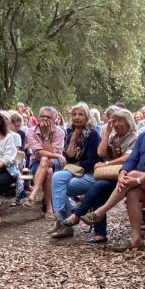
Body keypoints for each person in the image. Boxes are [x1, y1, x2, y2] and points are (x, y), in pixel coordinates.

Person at [77, 99, 145, 249]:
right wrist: (122, 173)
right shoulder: (144, 135)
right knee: (132, 193)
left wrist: (137, 179)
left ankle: (101, 211)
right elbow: (132, 159)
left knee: (132, 175)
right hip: (143, 180)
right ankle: (136, 239)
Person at [57, 108, 138, 244]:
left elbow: (127, 158)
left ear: (128, 122)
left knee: (98, 186)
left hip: (128, 175)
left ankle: (77, 215)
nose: (116, 124)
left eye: (120, 121)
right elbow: (100, 153)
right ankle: (99, 234)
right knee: (98, 190)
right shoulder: (113, 138)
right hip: (113, 175)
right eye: (114, 121)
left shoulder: (134, 138)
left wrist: (106, 164)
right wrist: (107, 134)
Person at [49, 102, 102, 238]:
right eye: (74, 114)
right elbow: (69, 157)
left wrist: (77, 163)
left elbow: (93, 161)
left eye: (81, 114)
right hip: (75, 171)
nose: (77, 117)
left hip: (91, 174)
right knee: (57, 177)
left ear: (87, 117)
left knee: (61, 188)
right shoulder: (71, 134)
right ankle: (59, 214)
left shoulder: (93, 134)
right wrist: (73, 138)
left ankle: (63, 222)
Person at [22, 107, 66, 218]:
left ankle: (34, 193)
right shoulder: (31, 131)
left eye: (48, 117)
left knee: (45, 159)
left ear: (54, 119)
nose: (45, 119)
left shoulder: (60, 132)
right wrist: (58, 155)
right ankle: (49, 209)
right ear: (38, 117)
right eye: (42, 116)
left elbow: (50, 153)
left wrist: (46, 136)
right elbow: (39, 152)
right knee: (48, 171)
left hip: (55, 162)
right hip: (36, 163)